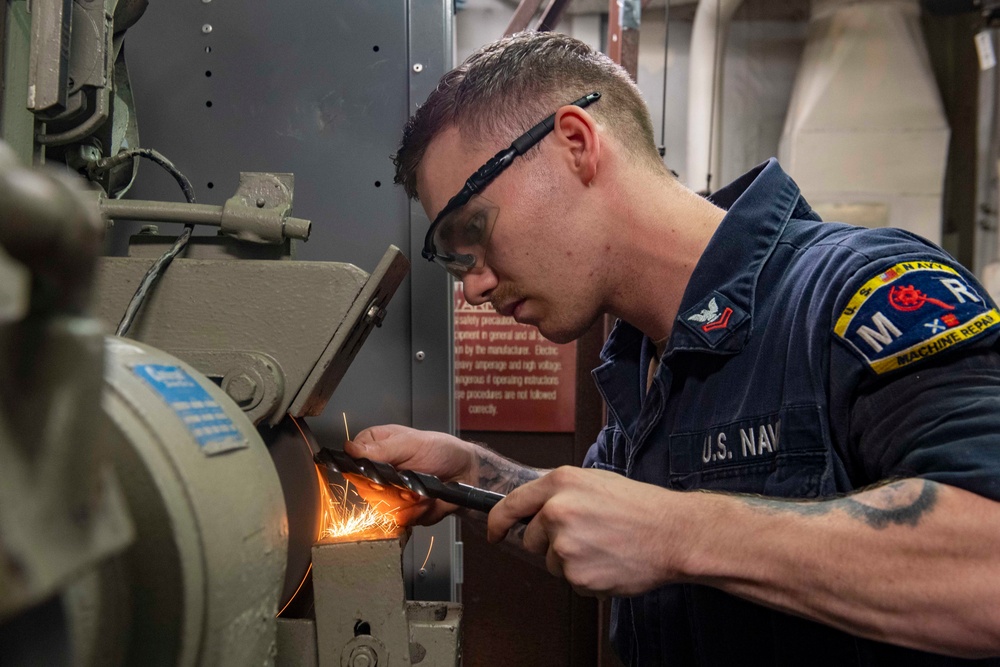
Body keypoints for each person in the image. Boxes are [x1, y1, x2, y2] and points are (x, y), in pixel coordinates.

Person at [346, 31, 1000, 665]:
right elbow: (608, 519)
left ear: (575, 142)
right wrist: (467, 474)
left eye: (473, 229)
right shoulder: (644, 367)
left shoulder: (858, 291)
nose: (475, 288)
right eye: (456, 261)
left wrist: (678, 532)